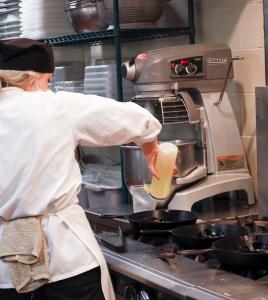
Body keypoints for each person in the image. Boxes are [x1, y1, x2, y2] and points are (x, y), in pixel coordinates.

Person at [0, 38, 161, 300]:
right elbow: (135, 119)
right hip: (67, 261)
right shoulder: (55, 106)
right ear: (33, 78)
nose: (48, 87)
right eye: (48, 80)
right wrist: (150, 144)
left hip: (6, 272)